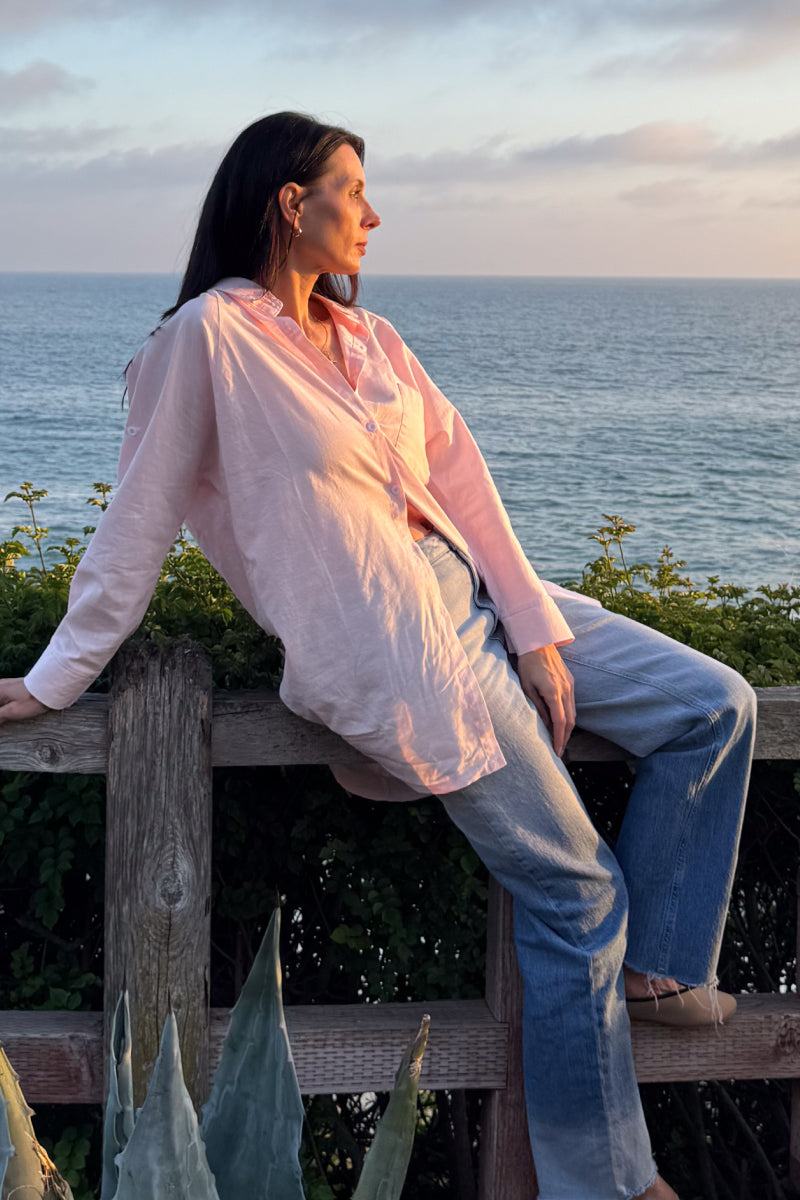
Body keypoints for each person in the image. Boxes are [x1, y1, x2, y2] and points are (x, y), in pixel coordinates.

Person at [0, 112, 757, 1199]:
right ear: (290, 201)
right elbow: (137, 521)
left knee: (714, 704)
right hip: (403, 647)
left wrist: (536, 628)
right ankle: (609, 1184)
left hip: (482, 590)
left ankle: (661, 970)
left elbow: (464, 482)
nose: (373, 213)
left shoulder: (370, 339)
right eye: (353, 189)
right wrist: (56, 677)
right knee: (575, 893)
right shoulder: (204, 342)